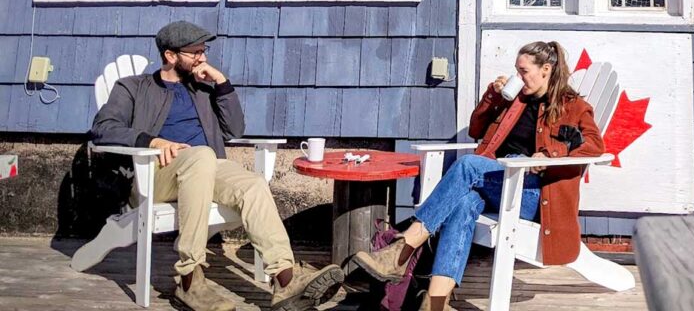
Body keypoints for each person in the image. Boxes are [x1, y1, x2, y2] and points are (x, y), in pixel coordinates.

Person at [90, 20, 345, 311]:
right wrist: (152, 141)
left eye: (204, 50)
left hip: (207, 167)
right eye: (194, 52)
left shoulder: (201, 90)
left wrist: (221, 83)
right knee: (201, 156)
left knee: (252, 184)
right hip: (156, 173)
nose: (203, 57)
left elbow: (234, 129)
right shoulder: (133, 87)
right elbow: (103, 128)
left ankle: (284, 279)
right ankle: (189, 280)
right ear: (170, 56)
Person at [352, 40, 605, 311]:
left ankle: (404, 248)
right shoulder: (516, 100)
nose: (519, 77)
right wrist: (492, 97)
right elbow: (476, 128)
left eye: (524, 71)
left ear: (546, 69)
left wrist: (550, 156)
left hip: (531, 194)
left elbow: (595, 146)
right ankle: (436, 303)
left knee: (468, 165)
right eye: (517, 72)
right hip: (498, 180)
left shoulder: (573, 105)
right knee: (463, 204)